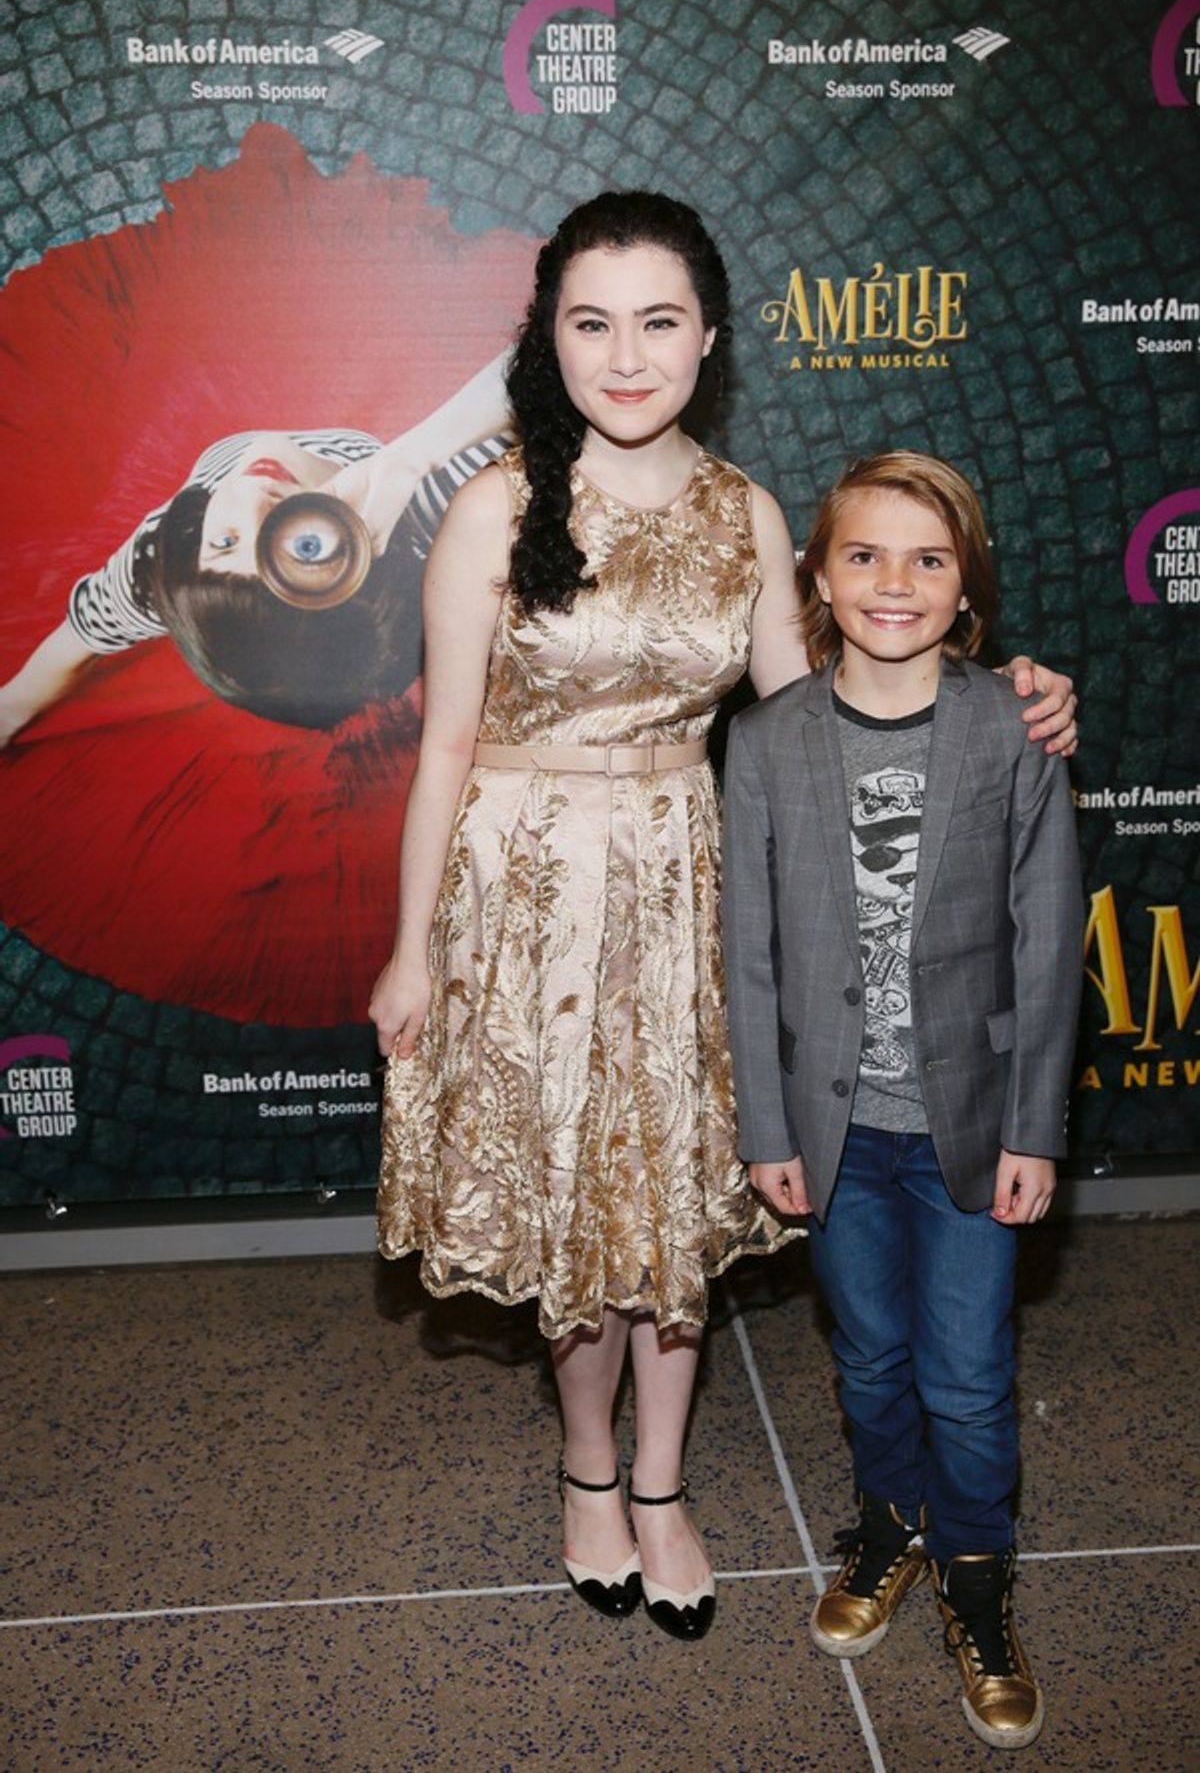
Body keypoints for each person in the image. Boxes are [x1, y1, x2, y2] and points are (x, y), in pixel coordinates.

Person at [368, 197, 1079, 1646]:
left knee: (673, 1206)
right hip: (526, 888)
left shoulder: (746, 511)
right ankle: (585, 1473)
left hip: (697, 882)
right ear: (547, 338)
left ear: (711, 337)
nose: (626, 356)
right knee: (578, 1205)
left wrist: (1005, 690)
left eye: (659, 321)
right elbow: (442, 746)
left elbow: (824, 709)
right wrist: (408, 947)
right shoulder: (497, 506)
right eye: (591, 322)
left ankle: (662, 1480)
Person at [721, 451, 1083, 1744]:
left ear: (966, 587)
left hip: (975, 1132)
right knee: (870, 1359)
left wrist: (1037, 1126)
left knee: (971, 1379)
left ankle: (979, 1585)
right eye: (864, 555)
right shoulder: (767, 744)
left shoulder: (1014, 727)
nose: (895, 583)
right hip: (838, 1134)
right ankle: (891, 1528)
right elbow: (749, 952)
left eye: (929, 559)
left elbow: (1046, 943)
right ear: (818, 576)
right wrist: (769, 1129)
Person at [0, 356, 510, 739]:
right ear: (356, 567)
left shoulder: (160, 562)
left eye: (224, 542)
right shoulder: (432, 518)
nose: (250, 498)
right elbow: (559, 354)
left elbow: (72, 645)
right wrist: (407, 463)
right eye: (303, 548)